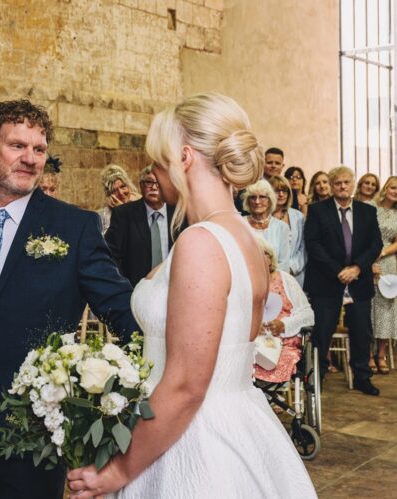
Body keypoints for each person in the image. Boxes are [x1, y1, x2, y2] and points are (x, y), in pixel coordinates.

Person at [66, 92, 315, 498]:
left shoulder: (201, 242)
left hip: (193, 438)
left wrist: (118, 471)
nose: (153, 172)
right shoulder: (244, 237)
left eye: (158, 160)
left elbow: (186, 384)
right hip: (237, 419)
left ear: (183, 158)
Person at [0, 99, 138, 499]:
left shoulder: (74, 227)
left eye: (39, 149)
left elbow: (122, 310)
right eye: (17, 146)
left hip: (36, 433)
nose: (30, 159)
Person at [304, 166, 383, 396]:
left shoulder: (367, 211)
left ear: (352, 184)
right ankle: (316, 378)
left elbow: (375, 244)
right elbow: (313, 244)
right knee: (322, 332)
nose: (342, 186)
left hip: (359, 281)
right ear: (330, 185)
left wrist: (357, 267)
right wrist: (339, 270)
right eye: (337, 182)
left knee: (362, 332)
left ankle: (362, 377)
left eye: (346, 182)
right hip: (327, 281)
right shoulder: (318, 211)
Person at [104, 165, 177, 286]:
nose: (154, 187)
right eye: (149, 182)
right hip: (136, 290)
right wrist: (123, 286)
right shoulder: (124, 214)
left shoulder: (179, 213)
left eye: (158, 182)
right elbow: (110, 254)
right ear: (141, 186)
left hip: (173, 289)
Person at [254, 240, 315, 384]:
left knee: (279, 360)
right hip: (253, 342)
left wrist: (283, 325)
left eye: (263, 254)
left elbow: (308, 314)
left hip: (284, 343)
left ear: (270, 258)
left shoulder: (285, 279)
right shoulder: (245, 281)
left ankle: (270, 396)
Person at [371, 176, 397, 374]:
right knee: (370, 308)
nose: (395, 191)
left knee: (387, 307)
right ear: (386, 187)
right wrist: (371, 259)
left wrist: (382, 253)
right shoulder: (371, 207)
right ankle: (368, 354)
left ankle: (381, 354)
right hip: (368, 260)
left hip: (389, 262)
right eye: (393, 187)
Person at [242, 179, 291, 272]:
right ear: (247, 201)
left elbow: (284, 263)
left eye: (262, 197)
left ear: (270, 201)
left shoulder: (282, 227)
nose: (257, 202)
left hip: (273, 280)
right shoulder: (240, 224)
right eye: (253, 197)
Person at [270, 175, 307, 287]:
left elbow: (303, 247)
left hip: (295, 274)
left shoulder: (298, 216)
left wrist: (291, 267)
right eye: (276, 191)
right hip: (270, 274)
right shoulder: (264, 216)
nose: (281, 194)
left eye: (284, 191)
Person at [97, 164, 139, 233]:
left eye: (123, 186)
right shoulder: (102, 217)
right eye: (115, 190)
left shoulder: (141, 208)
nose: (121, 193)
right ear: (109, 194)